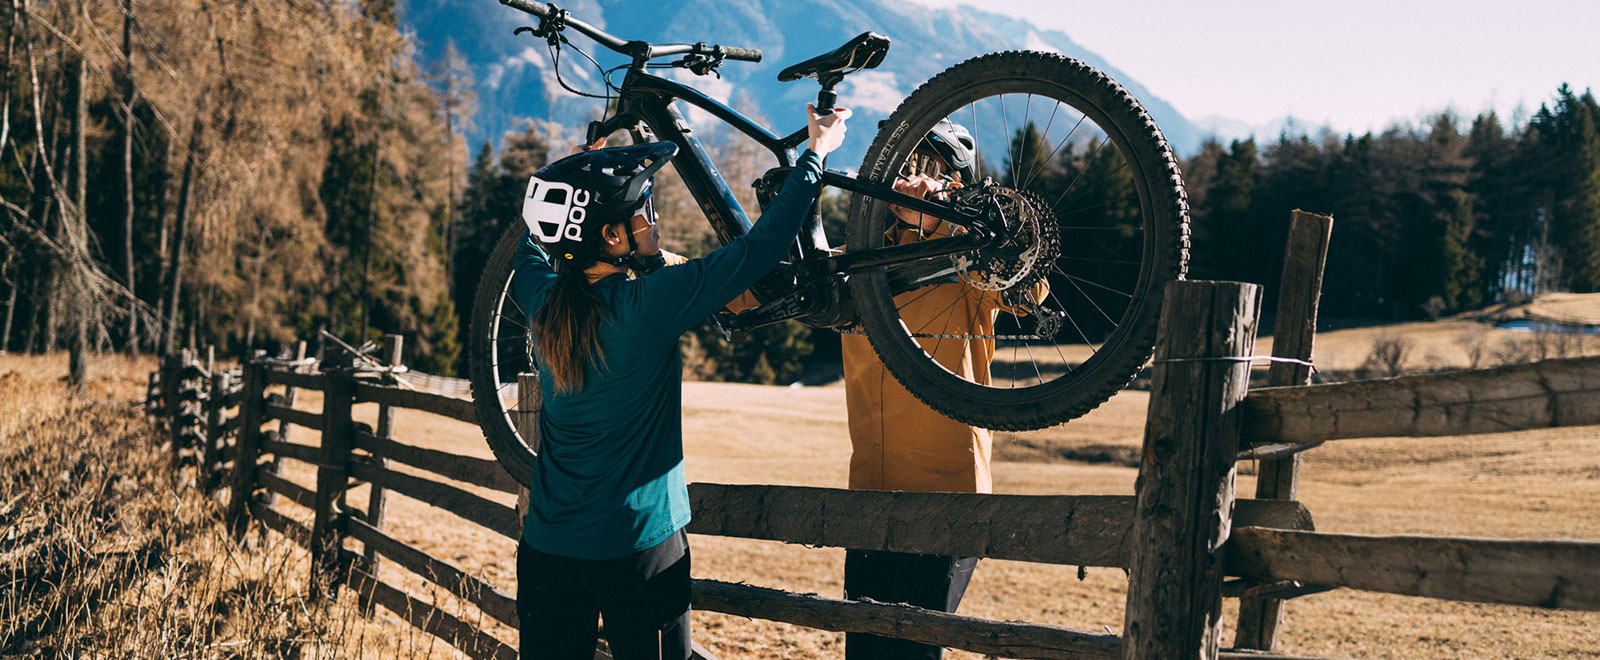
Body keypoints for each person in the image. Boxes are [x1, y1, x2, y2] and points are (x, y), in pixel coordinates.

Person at [510, 103, 850, 660]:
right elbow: (759, 249)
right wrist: (817, 153)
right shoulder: (646, 304)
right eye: (640, 210)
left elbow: (531, 236)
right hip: (637, 548)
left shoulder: (542, 298)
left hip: (547, 550)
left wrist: (579, 173)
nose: (651, 218)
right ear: (613, 235)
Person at [840, 119, 1044, 660]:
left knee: (909, 656)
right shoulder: (859, 261)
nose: (909, 179)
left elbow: (1033, 287)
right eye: (901, 165)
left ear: (955, 183)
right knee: (866, 654)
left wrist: (944, 224)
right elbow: (761, 287)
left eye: (926, 168)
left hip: (946, 499)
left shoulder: (974, 258)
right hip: (870, 496)